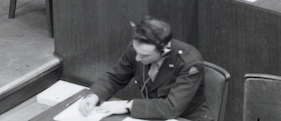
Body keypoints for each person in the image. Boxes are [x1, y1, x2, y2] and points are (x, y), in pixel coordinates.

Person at [78, 17, 214, 121]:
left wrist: (128, 105)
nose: (137, 58)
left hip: (186, 117)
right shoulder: (137, 49)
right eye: (137, 52)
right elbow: (114, 77)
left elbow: (172, 107)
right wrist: (94, 95)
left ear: (164, 51)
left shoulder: (189, 62)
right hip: (151, 115)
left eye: (145, 55)